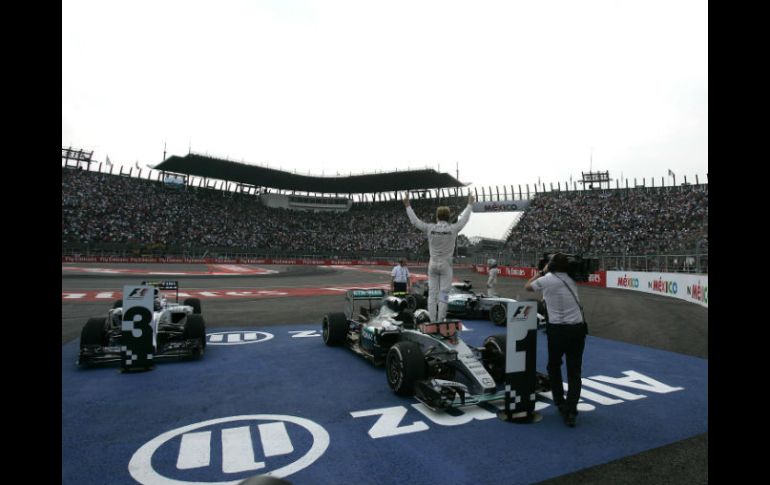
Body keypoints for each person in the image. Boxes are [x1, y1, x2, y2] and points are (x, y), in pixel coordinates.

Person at [524, 252, 587, 427]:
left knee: (554, 366)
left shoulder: (547, 279)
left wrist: (542, 272)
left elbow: (527, 286)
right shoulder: (572, 278)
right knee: (574, 371)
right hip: (577, 329)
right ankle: (571, 409)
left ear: (550, 265)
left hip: (558, 330)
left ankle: (560, 402)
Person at [403, 193, 474, 322]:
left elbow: (415, 221)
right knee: (444, 294)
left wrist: (408, 205)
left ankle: (432, 320)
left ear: (437, 217)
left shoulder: (431, 228)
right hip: (446, 265)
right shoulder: (453, 228)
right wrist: (470, 203)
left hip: (433, 263)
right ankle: (440, 320)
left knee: (432, 293)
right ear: (448, 217)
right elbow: (465, 219)